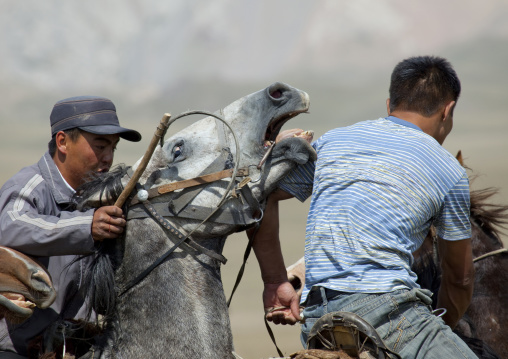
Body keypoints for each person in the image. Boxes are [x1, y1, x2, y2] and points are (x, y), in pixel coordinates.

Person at [253, 56, 477, 358]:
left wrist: (275, 281)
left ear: (389, 106)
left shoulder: (334, 140)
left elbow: (263, 194)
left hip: (318, 317)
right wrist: (440, 327)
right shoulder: (448, 169)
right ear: (448, 111)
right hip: (391, 316)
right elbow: (460, 279)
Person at [0, 96, 142, 358]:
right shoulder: (29, 186)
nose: (108, 158)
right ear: (63, 142)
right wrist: (87, 225)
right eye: (100, 146)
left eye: (113, 148)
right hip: (16, 351)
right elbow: (10, 226)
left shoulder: (101, 195)